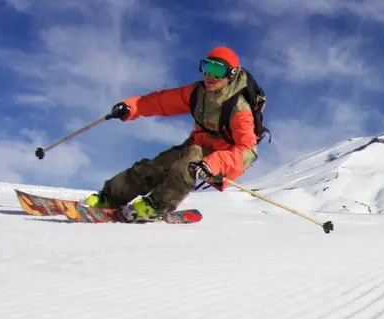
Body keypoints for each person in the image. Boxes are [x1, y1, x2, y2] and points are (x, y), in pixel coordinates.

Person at [83, 46, 262, 221]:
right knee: (155, 166)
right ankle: (110, 198)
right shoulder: (197, 93)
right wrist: (130, 107)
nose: (210, 75)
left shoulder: (239, 108)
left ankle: (155, 206)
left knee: (187, 165)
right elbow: (160, 102)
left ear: (231, 74)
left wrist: (214, 165)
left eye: (217, 70)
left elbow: (248, 150)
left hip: (220, 158)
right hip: (196, 144)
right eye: (207, 67)